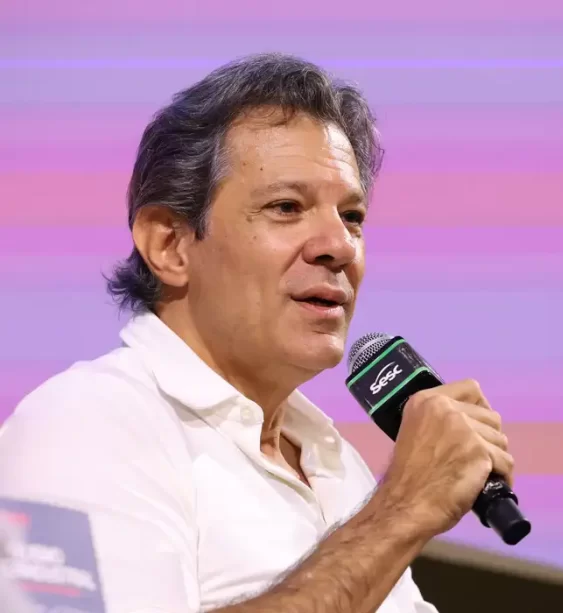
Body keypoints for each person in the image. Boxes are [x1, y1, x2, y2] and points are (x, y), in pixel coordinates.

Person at [0, 53, 516, 613]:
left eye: (352, 217)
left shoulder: (334, 463)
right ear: (170, 245)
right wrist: (401, 509)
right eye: (286, 207)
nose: (339, 247)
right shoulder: (86, 424)